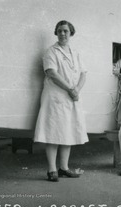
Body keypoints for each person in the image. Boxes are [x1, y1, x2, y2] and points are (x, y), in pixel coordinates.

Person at [34, 20, 88, 182]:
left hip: (71, 97)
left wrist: (77, 89)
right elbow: (51, 73)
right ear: (56, 33)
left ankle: (64, 167)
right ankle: (52, 170)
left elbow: (83, 73)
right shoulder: (51, 52)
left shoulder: (75, 52)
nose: (63, 34)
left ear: (71, 33)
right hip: (56, 97)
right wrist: (70, 89)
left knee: (68, 131)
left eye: (65, 31)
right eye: (59, 31)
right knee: (53, 132)